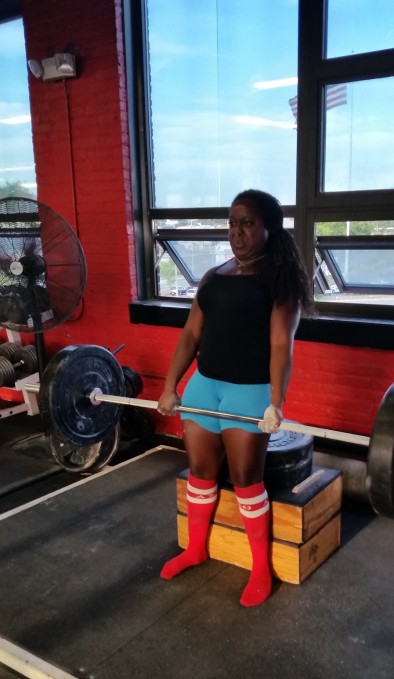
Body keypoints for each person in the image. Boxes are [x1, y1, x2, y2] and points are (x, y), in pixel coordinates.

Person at [157, 189, 314, 607]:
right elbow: (191, 333)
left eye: (247, 223)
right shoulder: (214, 275)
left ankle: (261, 569)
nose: (237, 232)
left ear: (268, 228)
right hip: (204, 386)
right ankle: (195, 549)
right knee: (199, 472)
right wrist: (171, 386)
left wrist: (276, 402)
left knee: (247, 480)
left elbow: (282, 345)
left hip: (249, 393)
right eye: (232, 223)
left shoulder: (279, 283)